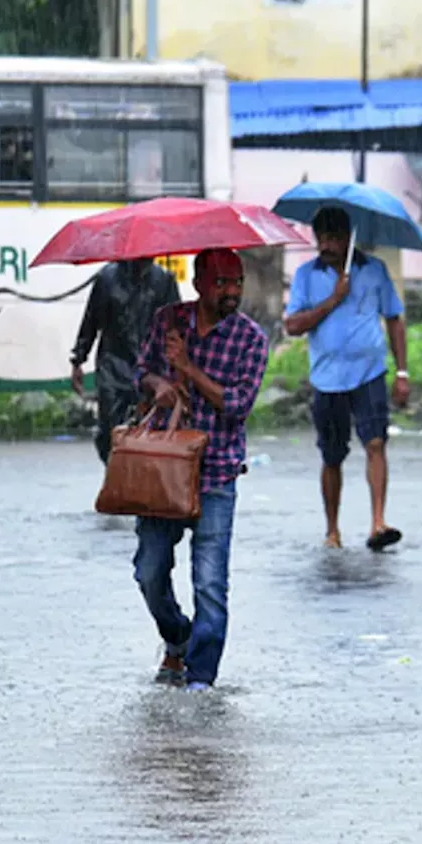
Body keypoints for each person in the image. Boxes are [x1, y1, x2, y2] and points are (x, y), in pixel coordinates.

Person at [131, 248, 269, 691]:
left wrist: (190, 368)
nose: (231, 291)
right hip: (162, 473)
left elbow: (237, 405)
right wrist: (163, 384)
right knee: (149, 572)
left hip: (217, 474)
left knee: (210, 583)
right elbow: (141, 375)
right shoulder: (167, 321)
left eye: (237, 282)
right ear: (198, 283)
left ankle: (201, 678)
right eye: (221, 282)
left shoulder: (251, 339)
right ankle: (177, 638)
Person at [283, 206, 410, 551]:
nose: (326, 244)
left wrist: (401, 372)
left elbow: (394, 319)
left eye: (333, 237)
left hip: (369, 372)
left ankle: (378, 522)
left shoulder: (374, 270)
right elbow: (293, 325)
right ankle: (332, 529)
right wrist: (333, 300)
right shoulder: (307, 275)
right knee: (332, 455)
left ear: (347, 238)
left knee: (375, 443)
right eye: (321, 237)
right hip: (327, 378)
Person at [70, 258, 180, 463]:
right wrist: (78, 358)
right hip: (113, 368)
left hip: (151, 370)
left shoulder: (164, 280)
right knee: (109, 433)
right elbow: (91, 321)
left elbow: (175, 328)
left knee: (148, 434)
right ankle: (115, 474)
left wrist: (177, 367)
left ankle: (140, 481)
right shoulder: (107, 279)